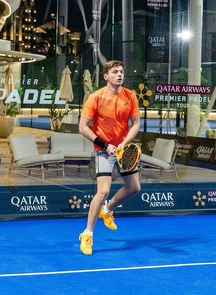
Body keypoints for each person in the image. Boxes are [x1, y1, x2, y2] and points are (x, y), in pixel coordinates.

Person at [79, 60, 141, 255]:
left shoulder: (130, 96)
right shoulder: (95, 98)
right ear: (106, 76)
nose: (119, 75)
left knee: (134, 187)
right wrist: (106, 145)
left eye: (121, 72)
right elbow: (82, 127)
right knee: (103, 190)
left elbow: (136, 124)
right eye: (115, 72)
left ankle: (108, 210)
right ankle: (87, 234)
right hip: (103, 150)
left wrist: (123, 143)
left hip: (124, 150)